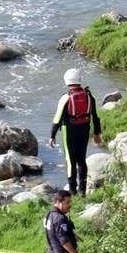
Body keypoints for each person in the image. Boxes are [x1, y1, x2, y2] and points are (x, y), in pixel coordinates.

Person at [48, 68, 102, 196]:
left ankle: (72, 190)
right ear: (79, 80)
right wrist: (96, 134)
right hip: (84, 130)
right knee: (81, 160)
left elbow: (57, 119)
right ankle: (82, 190)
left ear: (67, 81)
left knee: (70, 160)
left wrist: (52, 136)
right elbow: (95, 116)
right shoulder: (89, 96)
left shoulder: (65, 98)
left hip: (69, 132)